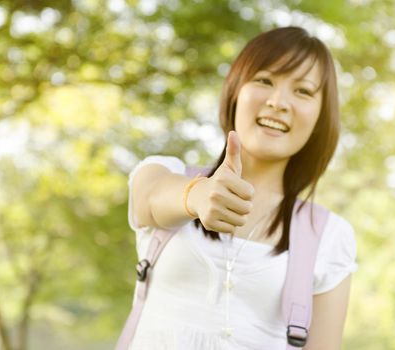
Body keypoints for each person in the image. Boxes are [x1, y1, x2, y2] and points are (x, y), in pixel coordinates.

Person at [127, 26, 357, 350]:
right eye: (265, 81)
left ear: (321, 117)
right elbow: (148, 201)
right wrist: (197, 195)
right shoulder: (164, 172)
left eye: (303, 91)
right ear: (235, 91)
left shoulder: (331, 236)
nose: (278, 102)